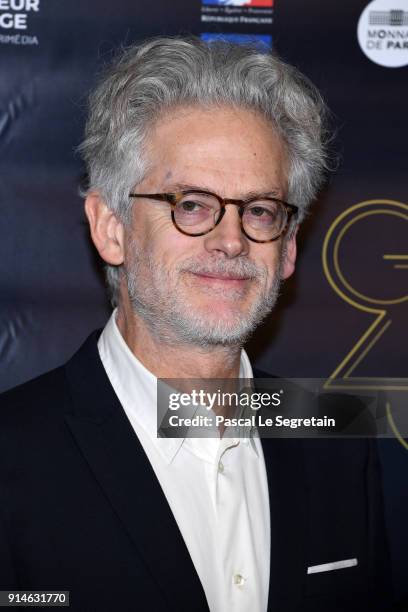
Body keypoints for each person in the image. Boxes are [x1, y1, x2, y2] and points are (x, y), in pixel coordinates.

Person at [0, 37, 391, 611]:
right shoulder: (12, 456)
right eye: (191, 204)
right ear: (112, 229)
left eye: (259, 209)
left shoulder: (334, 440)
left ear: (287, 247)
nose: (231, 240)